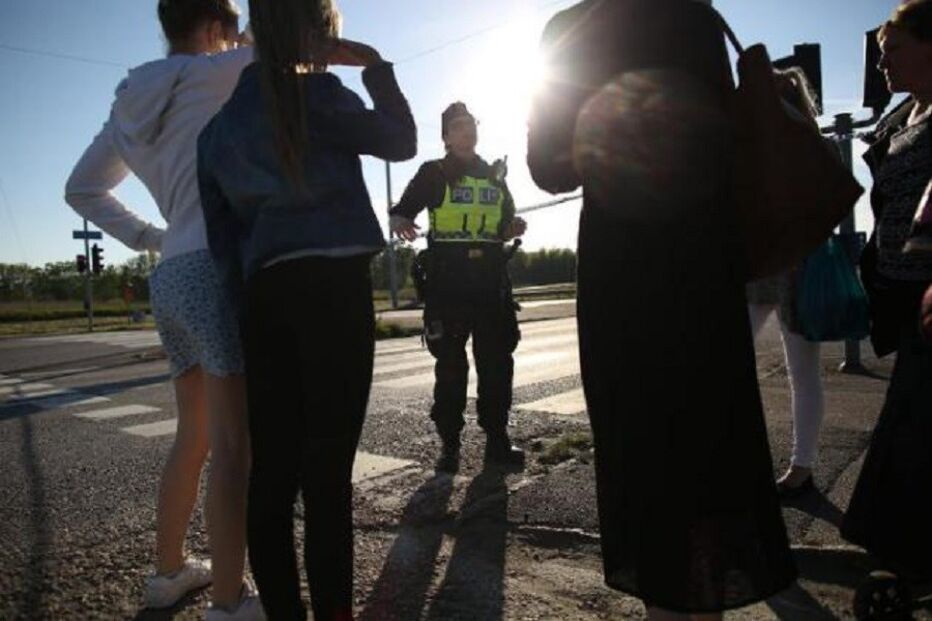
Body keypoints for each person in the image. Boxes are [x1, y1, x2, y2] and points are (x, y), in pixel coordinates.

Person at [527, 0, 796, 618]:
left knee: (643, 452)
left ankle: (667, 604)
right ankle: (704, 599)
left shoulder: (570, 27)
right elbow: (718, 139)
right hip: (701, 262)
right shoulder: (690, 13)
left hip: (623, 269)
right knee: (710, 453)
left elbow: (548, 167)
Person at [196, 0, 416, 618]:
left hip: (265, 298)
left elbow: (224, 248)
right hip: (335, 292)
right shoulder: (325, 98)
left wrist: (248, 316)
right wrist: (372, 65)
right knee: (326, 476)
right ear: (318, 34)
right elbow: (401, 140)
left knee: (273, 473)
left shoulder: (217, 132)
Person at [64, 2, 261, 618]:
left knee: (194, 437)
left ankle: (169, 572)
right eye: (227, 35)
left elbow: (81, 188)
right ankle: (229, 603)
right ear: (212, 29)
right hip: (213, 266)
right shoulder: (221, 72)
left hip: (171, 272)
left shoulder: (129, 102)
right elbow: (285, 44)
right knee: (235, 445)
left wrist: (152, 236)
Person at [841, 0, 932, 582]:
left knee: (913, 433)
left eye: (893, 50)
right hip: (902, 294)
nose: (884, 63)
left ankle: (904, 560)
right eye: (880, 55)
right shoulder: (904, 116)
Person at [389, 102, 528, 474]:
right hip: (449, 280)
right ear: (446, 137)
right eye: (458, 126)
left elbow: (502, 224)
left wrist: (512, 227)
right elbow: (402, 210)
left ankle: (497, 440)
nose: (467, 130)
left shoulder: (495, 175)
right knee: (451, 366)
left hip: (490, 281)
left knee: (497, 363)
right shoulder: (433, 173)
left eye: (471, 124)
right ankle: (450, 445)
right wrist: (401, 218)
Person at [747, 68, 826, 498]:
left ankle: (802, 466)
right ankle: (801, 466)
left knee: (800, 372)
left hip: (787, 267)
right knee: (802, 373)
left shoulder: (792, 143)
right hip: (772, 267)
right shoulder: (801, 143)